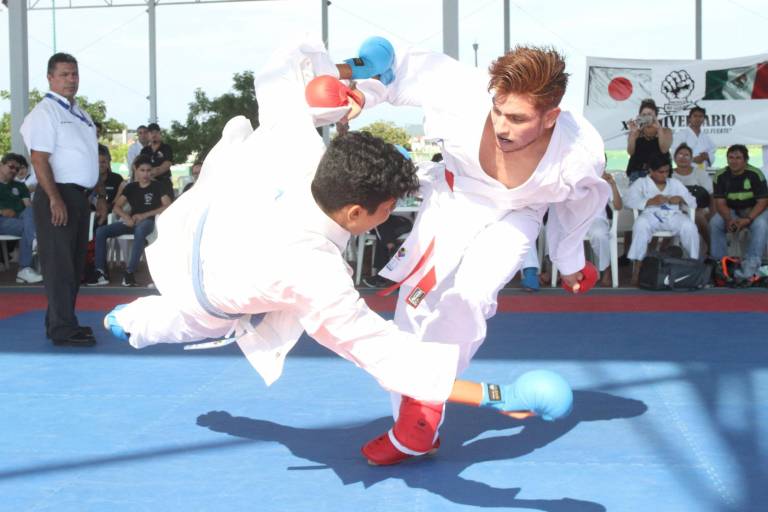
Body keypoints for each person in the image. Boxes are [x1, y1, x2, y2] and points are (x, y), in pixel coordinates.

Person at [328, 39, 608, 464]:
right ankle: (418, 416)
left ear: (551, 117)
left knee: (469, 296)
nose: (502, 125)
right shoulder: (463, 91)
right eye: (498, 110)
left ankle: (417, 423)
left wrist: (570, 262)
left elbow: (579, 207)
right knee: (413, 312)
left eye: (517, 118)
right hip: (452, 204)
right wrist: (363, 91)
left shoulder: (579, 154)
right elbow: (394, 63)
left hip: (517, 216)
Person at [20, 52, 105, 347]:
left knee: (74, 263)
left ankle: (57, 320)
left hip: (80, 196)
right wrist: (55, 199)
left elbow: (89, 158)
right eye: (65, 74)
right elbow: (40, 159)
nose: (71, 80)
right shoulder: (45, 113)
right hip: (58, 193)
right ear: (50, 78)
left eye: (75, 74)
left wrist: (99, 194)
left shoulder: (79, 113)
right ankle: (63, 328)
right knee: (60, 265)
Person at [90, 155, 171, 287]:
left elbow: (167, 205)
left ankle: (129, 272)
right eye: (142, 170)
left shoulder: (158, 186)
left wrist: (144, 215)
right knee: (101, 231)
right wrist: (126, 217)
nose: (146, 174)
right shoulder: (131, 187)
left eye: (149, 170)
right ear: (136, 170)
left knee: (140, 230)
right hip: (132, 221)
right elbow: (116, 207)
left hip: (150, 222)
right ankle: (100, 272)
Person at [624, 153, 699, 285]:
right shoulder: (641, 183)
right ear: (651, 171)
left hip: (673, 215)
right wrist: (649, 201)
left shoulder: (675, 183)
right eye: (660, 172)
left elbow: (693, 201)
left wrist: (681, 199)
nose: (664, 175)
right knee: (640, 225)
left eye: (666, 171)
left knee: (689, 227)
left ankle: (694, 264)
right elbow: (628, 201)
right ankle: (637, 267)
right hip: (651, 215)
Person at [709, 144, 768, 276]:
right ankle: (720, 264)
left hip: (753, 211)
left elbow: (763, 202)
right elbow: (720, 203)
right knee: (715, 223)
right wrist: (728, 219)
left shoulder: (756, 174)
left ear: (746, 160)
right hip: (732, 211)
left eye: (738, 158)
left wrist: (747, 219)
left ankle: (752, 263)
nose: (733, 161)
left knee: (761, 224)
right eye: (730, 157)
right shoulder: (720, 175)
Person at [0, 153, 43, 283]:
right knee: (29, 227)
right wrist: (2, 211)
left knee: (30, 213)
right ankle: (25, 268)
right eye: (11, 166)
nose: (14, 171)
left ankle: (34, 240)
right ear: (1, 165)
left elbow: (28, 206)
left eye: (17, 169)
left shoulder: (19, 186)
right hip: (1, 220)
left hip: (20, 220)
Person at [672, 143, 713, 250]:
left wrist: (713, 213)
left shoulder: (700, 173)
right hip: (675, 209)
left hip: (700, 208)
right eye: (680, 155)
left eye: (686, 155)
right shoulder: (668, 174)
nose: (683, 158)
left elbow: (711, 194)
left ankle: (711, 247)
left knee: (697, 216)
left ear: (691, 159)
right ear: (674, 158)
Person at [588, 168, 623, 287]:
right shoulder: (577, 178)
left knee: (599, 234)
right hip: (575, 219)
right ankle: (559, 271)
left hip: (597, 219)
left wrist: (612, 184)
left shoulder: (606, 184)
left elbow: (618, 206)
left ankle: (606, 268)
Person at [625, 98, 673, 183]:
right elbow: (630, 152)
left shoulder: (666, 131)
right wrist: (633, 134)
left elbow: (664, 149)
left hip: (660, 174)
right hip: (637, 173)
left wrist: (659, 129)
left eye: (649, 114)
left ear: (656, 115)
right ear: (639, 116)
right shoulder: (636, 132)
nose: (646, 117)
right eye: (644, 114)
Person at [672, 106, 716, 173]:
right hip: (685, 171)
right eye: (695, 116)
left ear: (704, 119)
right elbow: (674, 153)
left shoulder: (706, 137)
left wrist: (707, 157)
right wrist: (692, 159)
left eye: (700, 116)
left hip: (703, 171)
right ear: (689, 118)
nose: (697, 119)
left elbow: (712, 152)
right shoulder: (681, 134)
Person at [139, 122, 174, 198]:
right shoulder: (144, 151)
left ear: (160, 134)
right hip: (147, 184)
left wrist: (149, 173)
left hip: (164, 183)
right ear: (148, 135)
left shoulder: (166, 148)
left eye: (156, 132)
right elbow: (139, 167)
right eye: (151, 132)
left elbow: (166, 166)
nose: (154, 135)